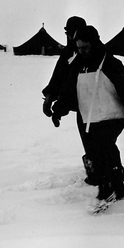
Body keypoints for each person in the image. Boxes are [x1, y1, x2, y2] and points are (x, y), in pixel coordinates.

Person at [51, 25, 124, 203]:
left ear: (94, 43)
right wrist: (59, 109)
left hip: (112, 117)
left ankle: (107, 191)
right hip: (89, 117)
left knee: (103, 149)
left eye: (85, 47)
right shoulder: (77, 65)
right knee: (96, 153)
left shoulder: (111, 63)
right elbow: (68, 91)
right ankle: (117, 191)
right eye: (79, 48)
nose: (82, 52)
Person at [42, 16, 99, 183]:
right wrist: (50, 98)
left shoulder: (93, 50)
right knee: (88, 139)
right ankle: (96, 173)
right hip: (80, 105)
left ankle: (111, 174)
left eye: (71, 32)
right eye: (66, 32)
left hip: (99, 105)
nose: (68, 36)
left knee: (102, 141)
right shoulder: (67, 53)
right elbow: (59, 78)